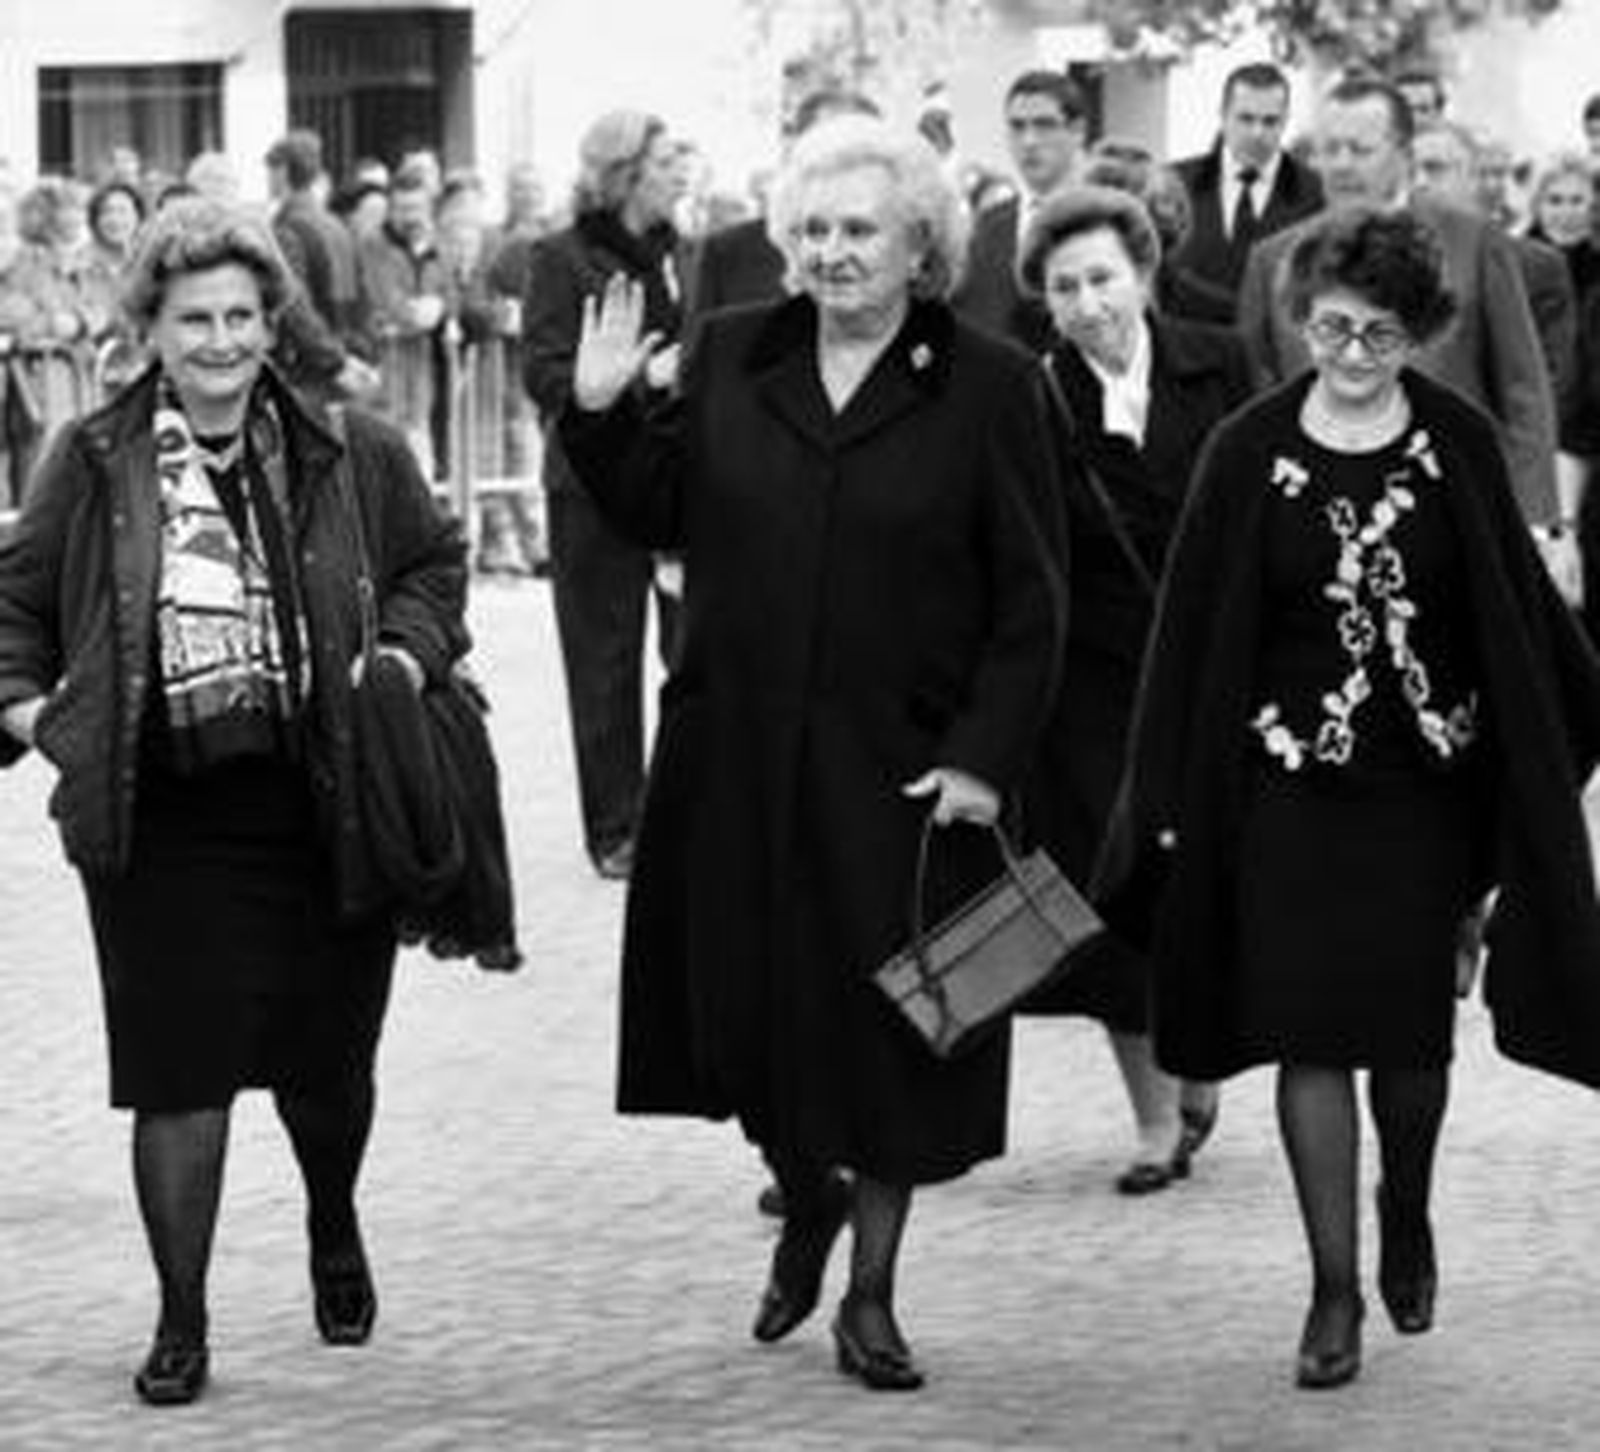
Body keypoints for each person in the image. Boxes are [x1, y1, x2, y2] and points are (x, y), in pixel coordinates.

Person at [558, 115, 1066, 1390]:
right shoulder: (735, 355)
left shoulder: (992, 384)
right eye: (814, 232)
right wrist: (603, 414)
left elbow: (1034, 601)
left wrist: (985, 760)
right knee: (741, 1024)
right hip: (735, 762)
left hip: (905, 778)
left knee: (896, 1041)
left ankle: (872, 1298)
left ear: (921, 251)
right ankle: (803, 1189)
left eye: (860, 234)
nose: (833, 256)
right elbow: (650, 509)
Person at [1101, 205, 1600, 1392]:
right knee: (1310, 1039)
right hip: (1285, 793)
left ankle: (1406, 1209)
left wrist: (1550, 747)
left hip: (1422, 796)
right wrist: (1165, 787)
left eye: (1381, 335)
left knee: (1410, 1049)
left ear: (1420, 332)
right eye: (1332, 329)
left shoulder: (1459, 445)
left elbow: (1523, 626)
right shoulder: (1248, 448)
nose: (1354, 355)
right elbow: (1190, 632)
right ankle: (1331, 1288)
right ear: (1299, 320)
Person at [0, 197, 468, 1406]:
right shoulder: (93, 461)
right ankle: (181, 1318)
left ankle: (330, 1217)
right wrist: (39, 720)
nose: (218, 340)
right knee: (178, 1075)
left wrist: (402, 662)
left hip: (324, 802)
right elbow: (12, 615)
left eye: (241, 317)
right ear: (148, 327)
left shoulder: (347, 446)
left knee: (328, 1070)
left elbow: (431, 567)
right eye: (193, 317)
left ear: (275, 324)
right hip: (158, 820)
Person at [1017, 185, 1248, 1193]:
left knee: (1210, 881)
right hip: (1095, 684)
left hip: (1214, 670)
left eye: (1102, 277)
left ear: (1143, 275)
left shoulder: (1221, 363)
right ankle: (1155, 1117)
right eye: (1064, 288)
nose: (1087, 303)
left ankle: (1195, 1056)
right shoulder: (1036, 395)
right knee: (1110, 894)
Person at [1238, 76, 1561, 528]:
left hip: (1458, 511)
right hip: (1318, 516)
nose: (1341, 164)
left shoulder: (1473, 243)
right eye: (1329, 149)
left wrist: (1540, 522)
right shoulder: (1272, 260)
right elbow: (1257, 399)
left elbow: (1522, 390)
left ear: (1405, 154)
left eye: (1360, 149)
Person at [522, 108, 689, 880]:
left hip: (679, 482)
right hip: (591, 485)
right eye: (666, 159)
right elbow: (544, 372)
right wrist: (627, 381)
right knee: (603, 660)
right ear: (625, 172)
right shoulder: (562, 257)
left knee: (693, 649)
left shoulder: (685, 253)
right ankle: (616, 828)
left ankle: (683, 808)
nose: (681, 170)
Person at [1166, 62, 1325, 325]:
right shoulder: (1175, 183)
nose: (1257, 133)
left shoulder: (1317, 193)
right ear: (1223, 115)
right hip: (1191, 351)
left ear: (1286, 121)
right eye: (1246, 118)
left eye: (1270, 121)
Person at [955, 69, 1089, 353]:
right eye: (1017, 127)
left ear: (1077, 131)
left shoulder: (1109, 220)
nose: (1029, 141)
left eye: (1044, 125)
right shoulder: (985, 228)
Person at [1523, 151, 1600, 304]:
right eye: (1555, 201)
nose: (1567, 214)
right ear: (1537, 206)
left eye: (1577, 201)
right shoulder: (1512, 266)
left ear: (1592, 207)